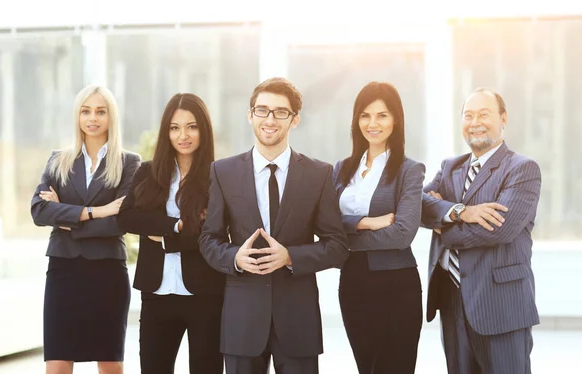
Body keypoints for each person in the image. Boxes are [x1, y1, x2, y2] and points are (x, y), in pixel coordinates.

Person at [199, 77, 349, 374]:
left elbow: (338, 246)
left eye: (281, 112)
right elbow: (209, 239)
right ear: (250, 115)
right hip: (242, 320)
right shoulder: (222, 172)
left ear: (294, 120)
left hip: (297, 320)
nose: (270, 119)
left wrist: (291, 256)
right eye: (262, 110)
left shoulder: (319, 174)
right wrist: (234, 258)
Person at [422, 87, 541, 374]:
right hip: (452, 301)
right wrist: (461, 212)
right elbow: (418, 204)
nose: (475, 122)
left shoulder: (521, 169)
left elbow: (499, 230)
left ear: (503, 118)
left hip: (500, 306)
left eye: (484, 114)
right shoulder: (450, 167)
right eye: (468, 115)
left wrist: (445, 229)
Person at [31, 85, 140, 374]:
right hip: (63, 270)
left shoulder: (129, 163)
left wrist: (66, 220)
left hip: (107, 271)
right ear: (77, 116)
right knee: (57, 361)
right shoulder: (58, 160)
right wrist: (96, 212)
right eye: (86, 110)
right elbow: (39, 210)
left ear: (111, 117)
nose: (93, 118)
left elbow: (123, 220)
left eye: (100, 111)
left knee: (109, 362)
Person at [117, 93, 225, 374]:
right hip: (157, 294)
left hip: (205, 295)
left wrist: (162, 237)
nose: (183, 135)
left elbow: (209, 235)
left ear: (204, 129)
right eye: (175, 127)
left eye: (192, 126)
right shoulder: (147, 173)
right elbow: (127, 217)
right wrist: (173, 227)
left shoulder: (220, 177)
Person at [333, 82, 425, 374]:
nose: (373, 123)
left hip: (396, 285)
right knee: (367, 367)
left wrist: (345, 241)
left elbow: (403, 234)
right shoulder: (341, 169)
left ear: (395, 120)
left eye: (382, 115)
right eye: (365, 115)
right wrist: (365, 223)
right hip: (354, 285)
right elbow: (326, 226)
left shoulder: (409, 170)